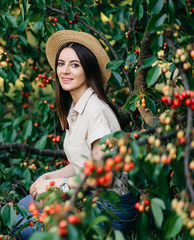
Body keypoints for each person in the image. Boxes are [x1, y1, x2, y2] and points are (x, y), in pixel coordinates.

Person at [16, 30, 137, 239]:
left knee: (30, 229)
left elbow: (102, 177)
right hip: (89, 194)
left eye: (74, 65)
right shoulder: (76, 106)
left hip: (111, 207)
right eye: (61, 63)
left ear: (87, 70)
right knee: (22, 209)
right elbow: (83, 163)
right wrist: (47, 177)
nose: (65, 71)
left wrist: (55, 186)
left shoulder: (96, 110)